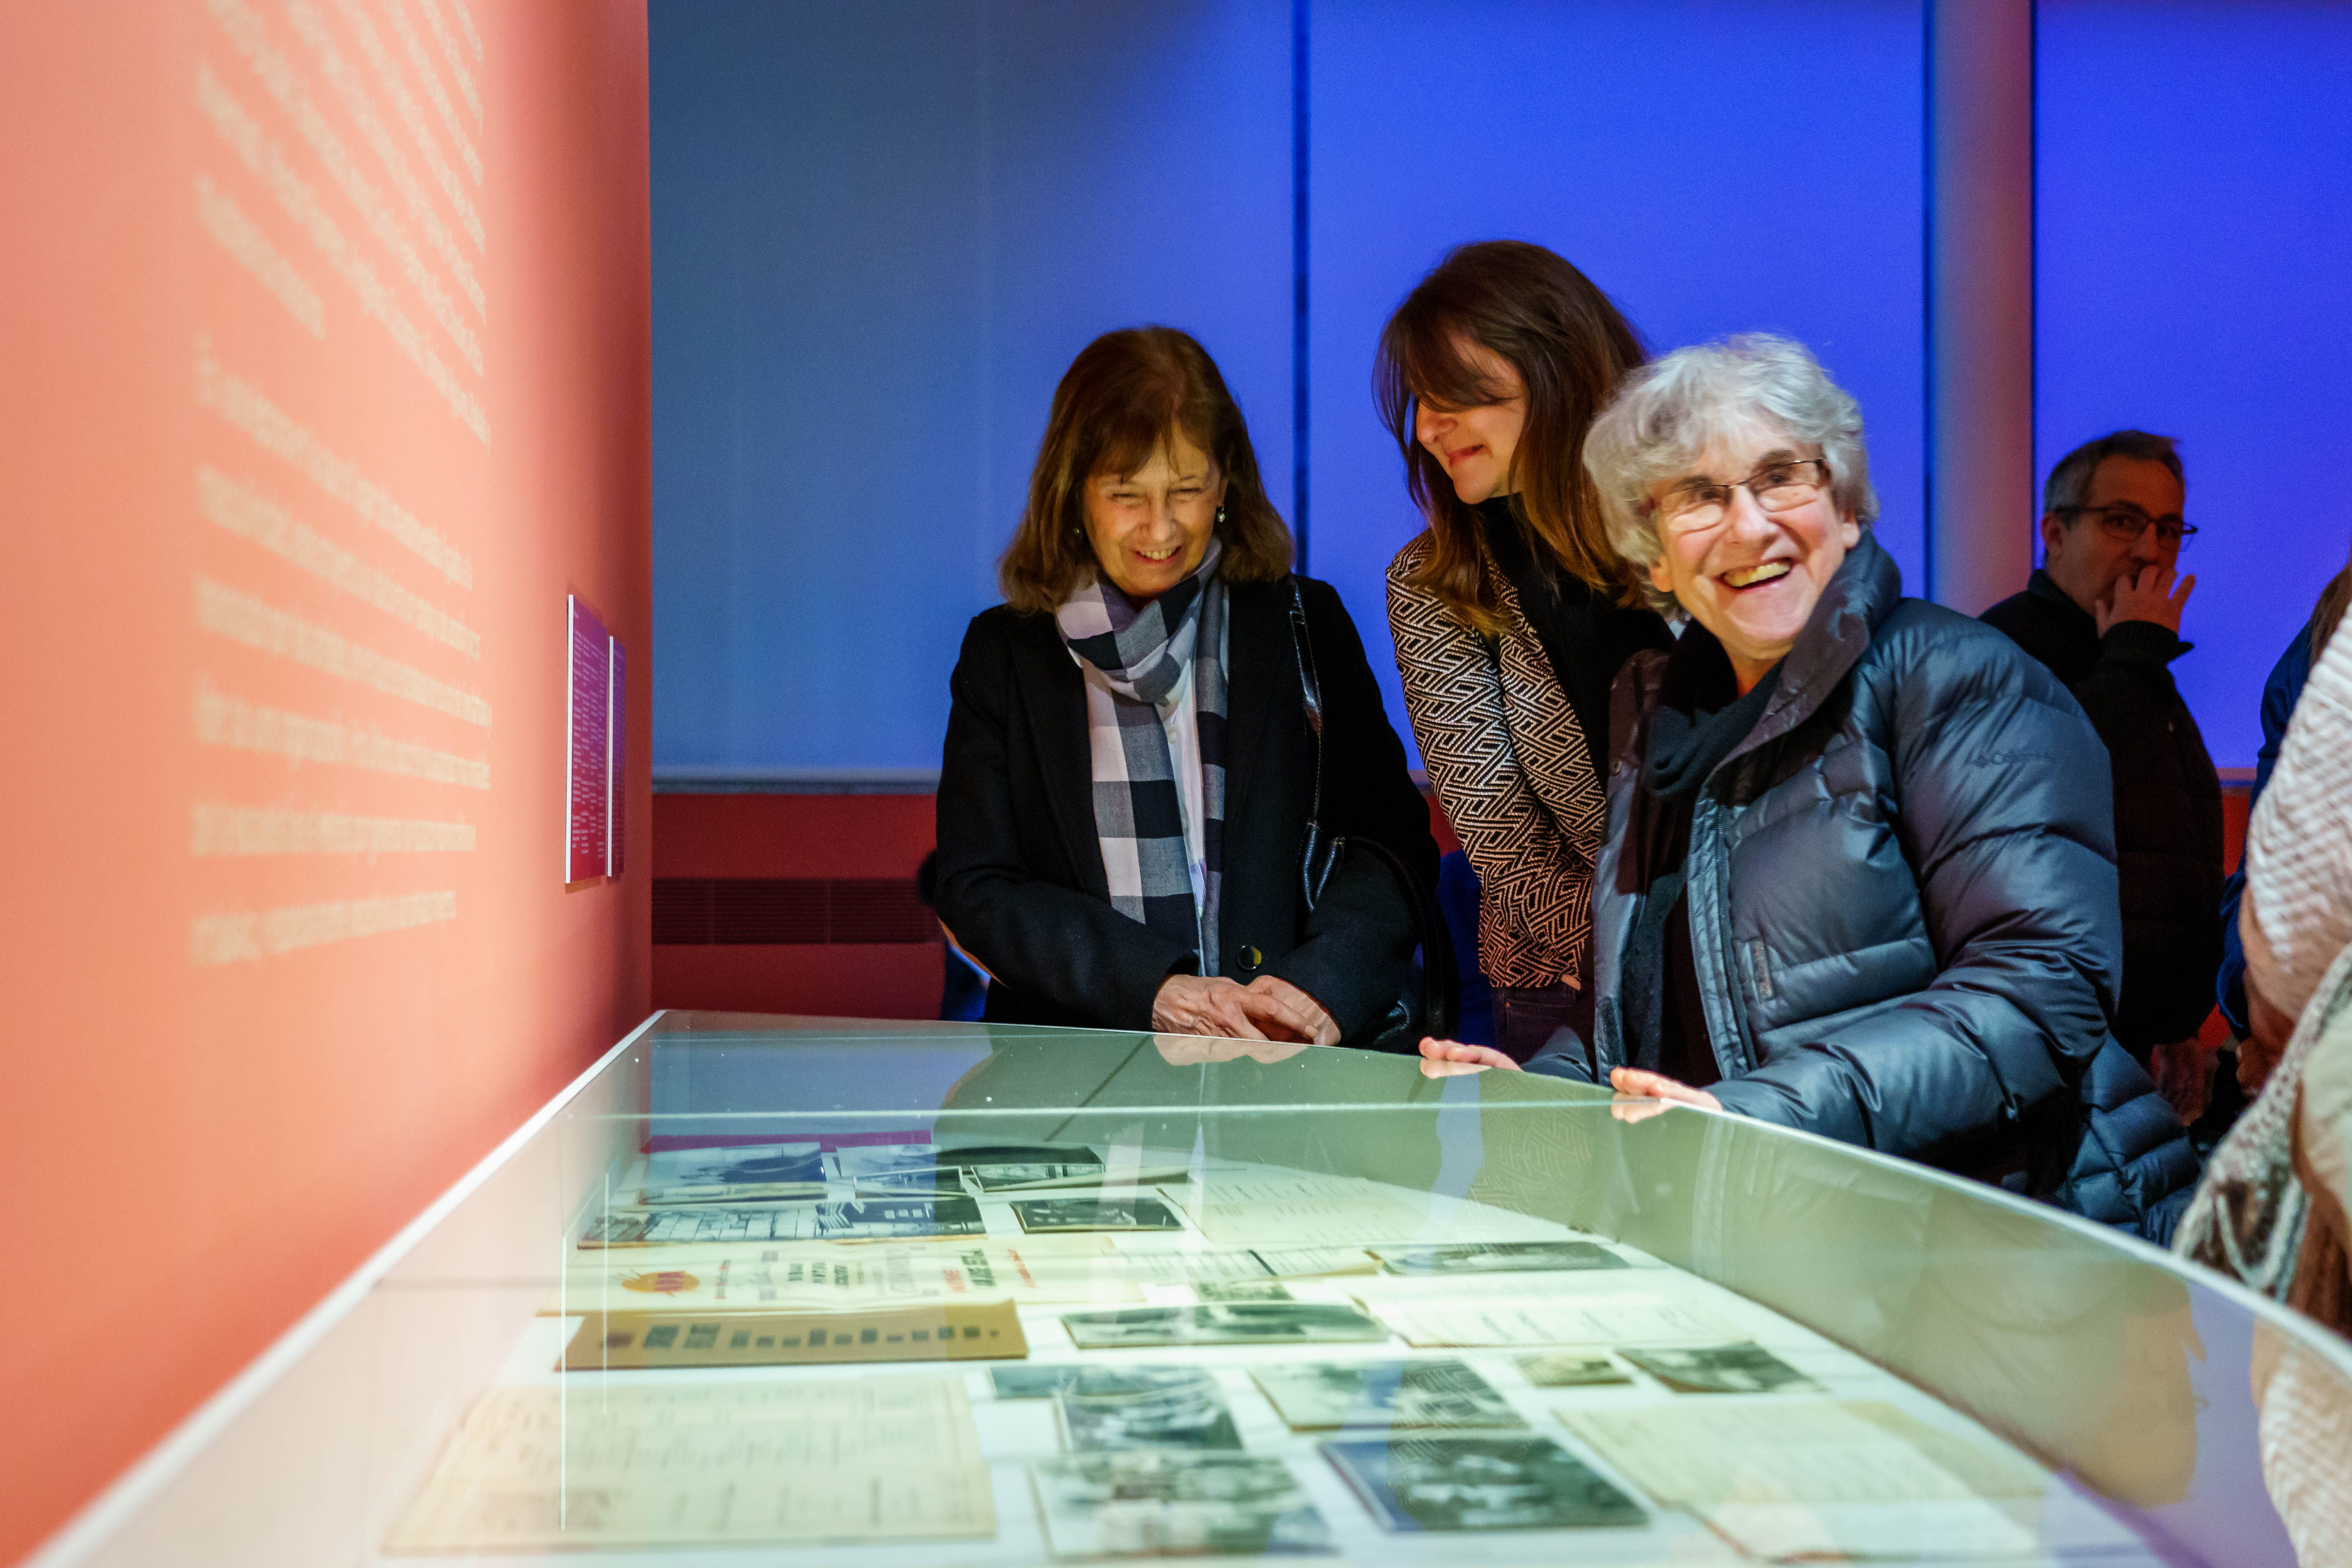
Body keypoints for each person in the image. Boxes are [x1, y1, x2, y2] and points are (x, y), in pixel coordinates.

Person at [1420, 334, 2195, 1238]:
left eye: (1781, 478)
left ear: (1849, 510)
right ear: (1654, 557)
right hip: (1783, 1227)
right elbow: (1645, 1014)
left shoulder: (1957, 675)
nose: (1748, 526)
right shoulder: (1662, 723)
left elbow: (2040, 988)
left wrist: (1763, 1111)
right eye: (1699, 497)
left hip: (2012, 1246)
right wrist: (1544, 1091)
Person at [936, 327, 1436, 1045]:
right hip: (1075, 1075)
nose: (1161, 528)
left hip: (1289, 1074)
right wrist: (1153, 986)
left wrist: (1322, 987)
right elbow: (977, 886)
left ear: (1226, 484)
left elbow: (1389, 843)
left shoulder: (1305, 622)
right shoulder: (1005, 654)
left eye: (1188, 490)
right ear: (1072, 495)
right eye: (1126, 494)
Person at [1379, 241, 1670, 1060]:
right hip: (1562, 977)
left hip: (1748, 949)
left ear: (1557, 369)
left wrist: (1706, 938)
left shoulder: (1683, 528)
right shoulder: (1433, 580)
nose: (1429, 428)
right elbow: (1500, 835)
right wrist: (1640, 946)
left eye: (1457, 397)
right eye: (1418, 402)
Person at [1980, 433, 2224, 1107]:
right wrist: (2134, 657)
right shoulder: (1997, 651)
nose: (2149, 550)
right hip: (2053, 1066)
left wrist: (2181, 1028)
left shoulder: (2137, 666)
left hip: (2141, 1061)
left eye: (2169, 529)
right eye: (2123, 521)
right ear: (2054, 532)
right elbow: (2043, 783)